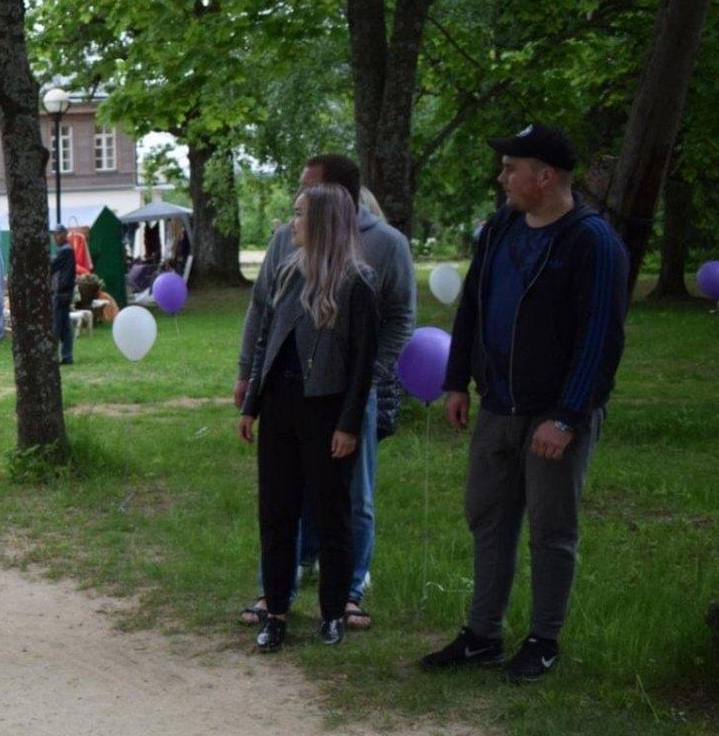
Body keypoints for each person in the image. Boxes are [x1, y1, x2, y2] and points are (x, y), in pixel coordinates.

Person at [423, 124, 628, 683]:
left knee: (551, 528)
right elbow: (472, 307)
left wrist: (566, 416)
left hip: (553, 415)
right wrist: (457, 379)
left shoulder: (592, 242)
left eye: (512, 167)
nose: (501, 176)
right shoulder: (500, 230)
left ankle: (543, 640)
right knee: (488, 519)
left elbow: (600, 339)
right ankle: (481, 635)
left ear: (546, 176)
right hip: (497, 407)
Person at [236, 153, 415, 631]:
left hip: (346, 395)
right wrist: (249, 380)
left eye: (305, 192)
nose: (295, 209)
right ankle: (277, 593)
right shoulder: (285, 249)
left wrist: (365, 377)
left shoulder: (384, 249)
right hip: (287, 397)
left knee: (348, 499)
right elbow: (264, 314)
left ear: (333, 198)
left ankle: (345, 595)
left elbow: (398, 318)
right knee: (282, 501)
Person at [51, 225, 77, 365]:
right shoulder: (66, 251)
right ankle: (67, 355)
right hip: (65, 292)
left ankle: (54, 356)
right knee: (65, 326)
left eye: (57, 234)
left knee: (57, 326)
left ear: (64, 234)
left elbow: (51, 266)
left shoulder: (65, 251)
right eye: (54, 235)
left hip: (61, 293)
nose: (55, 237)